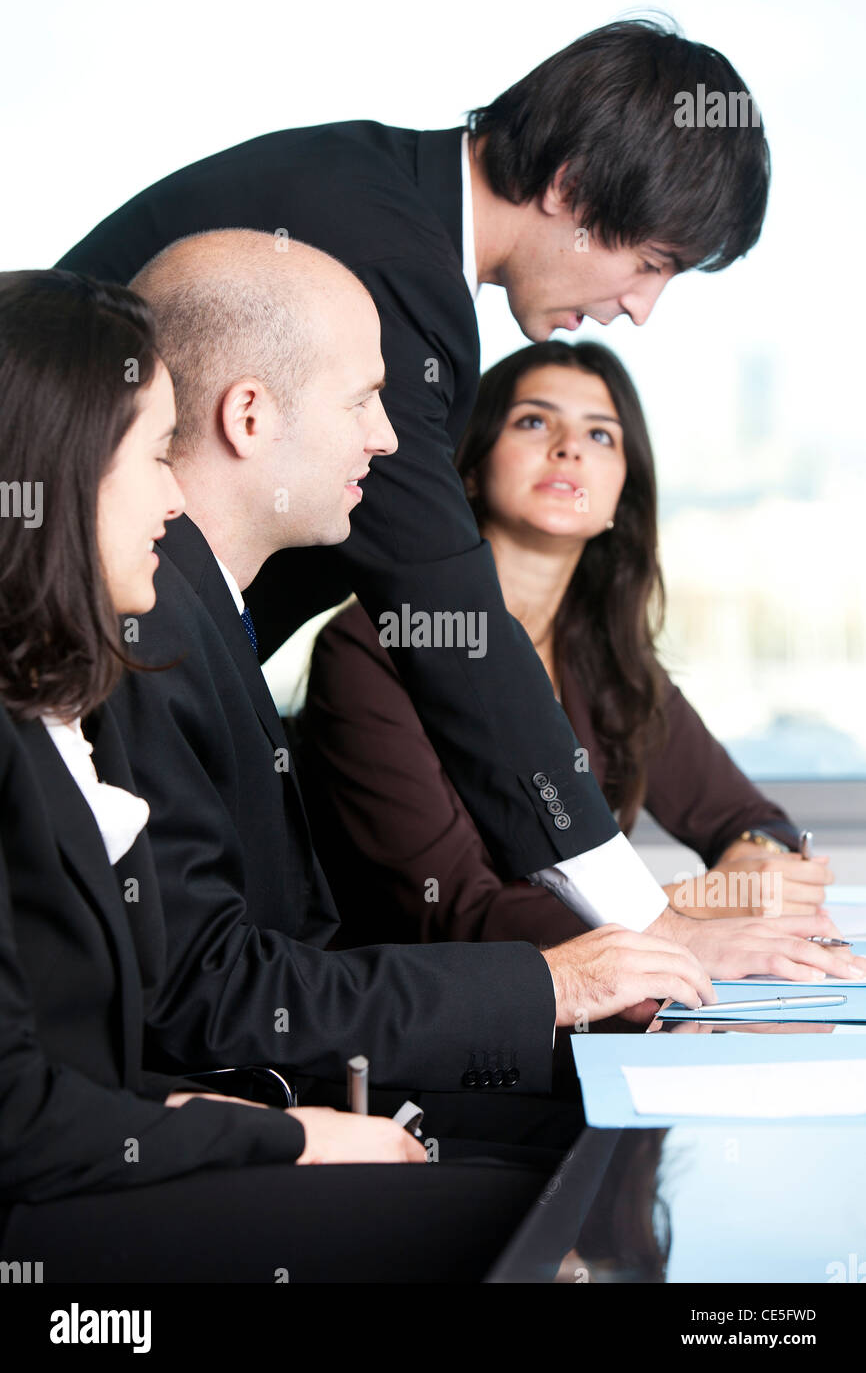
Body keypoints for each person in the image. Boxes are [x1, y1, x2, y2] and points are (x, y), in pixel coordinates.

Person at [57, 17, 772, 935]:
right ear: (573, 187)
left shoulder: (385, 203)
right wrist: (644, 922)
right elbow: (450, 620)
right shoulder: (386, 259)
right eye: (650, 264)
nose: (640, 308)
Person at [101, 230, 726, 1135]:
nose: (390, 438)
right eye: (364, 399)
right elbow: (208, 991)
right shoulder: (154, 630)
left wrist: (589, 998)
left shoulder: (210, 617)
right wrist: (558, 985)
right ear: (249, 417)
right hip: (257, 1121)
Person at [1, 269, 526, 1287]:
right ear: (57, 478)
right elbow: (23, 1114)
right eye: (154, 455)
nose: (172, 493)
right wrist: (282, 1140)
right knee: (530, 1226)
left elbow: (77, 1064)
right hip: (40, 1218)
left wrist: (244, 1120)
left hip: (85, 1173)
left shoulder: (44, 717)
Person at [301, 342, 837, 946]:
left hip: (601, 1013)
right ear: (471, 469)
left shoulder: (607, 658)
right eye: (534, 421)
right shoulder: (374, 647)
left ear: (620, 499)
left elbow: (752, 820)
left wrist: (754, 864)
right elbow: (453, 917)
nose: (569, 448)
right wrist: (696, 904)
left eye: (602, 436)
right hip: (449, 1024)